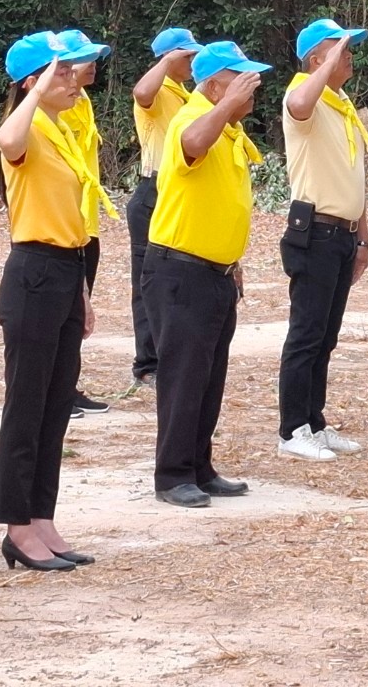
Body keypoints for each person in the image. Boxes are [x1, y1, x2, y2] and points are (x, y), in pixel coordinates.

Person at [0, 31, 103, 572]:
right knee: (26, 404)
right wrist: (33, 91)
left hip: (65, 268)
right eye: (63, 71)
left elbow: (71, 219)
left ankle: (41, 516)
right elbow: (6, 140)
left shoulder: (60, 130)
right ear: (33, 80)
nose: (75, 79)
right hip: (33, 273)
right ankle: (16, 526)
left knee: (56, 404)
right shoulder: (28, 127)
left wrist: (82, 291)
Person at [143, 40, 268, 508]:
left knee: (209, 376)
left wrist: (232, 260)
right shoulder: (190, 119)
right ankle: (172, 474)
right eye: (240, 81)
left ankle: (199, 465)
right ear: (215, 87)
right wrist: (227, 107)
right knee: (184, 376)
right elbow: (193, 144)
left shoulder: (229, 130)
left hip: (215, 272)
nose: (251, 88)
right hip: (181, 271)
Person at [276, 19, 368, 461]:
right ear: (316, 59)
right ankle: (292, 429)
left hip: (343, 234)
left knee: (326, 335)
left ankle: (314, 420)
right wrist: (326, 65)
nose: (348, 56)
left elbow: (354, 175)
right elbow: (298, 103)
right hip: (314, 232)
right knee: (306, 334)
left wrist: (363, 239)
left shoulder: (341, 102)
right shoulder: (303, 95)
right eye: (338, 50)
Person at [128, 28, 200, 387]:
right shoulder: (157, 92)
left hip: (177, 191)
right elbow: (141, 93)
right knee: (149, 281)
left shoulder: (185, 95)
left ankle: (170, 355)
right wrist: (168, 60)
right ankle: (148, 362)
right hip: (153, 190)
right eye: (187, 56)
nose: (192, 62)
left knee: (175, 277)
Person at [58, 29, 117, 416]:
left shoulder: (82, 102)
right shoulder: (57, 108)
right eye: (84, 59)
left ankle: (68, 386)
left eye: (94, 57)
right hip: (65, 224)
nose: (92, 65)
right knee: (62, 314)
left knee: (77, 314)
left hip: (86, 224)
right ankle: (58, 391)